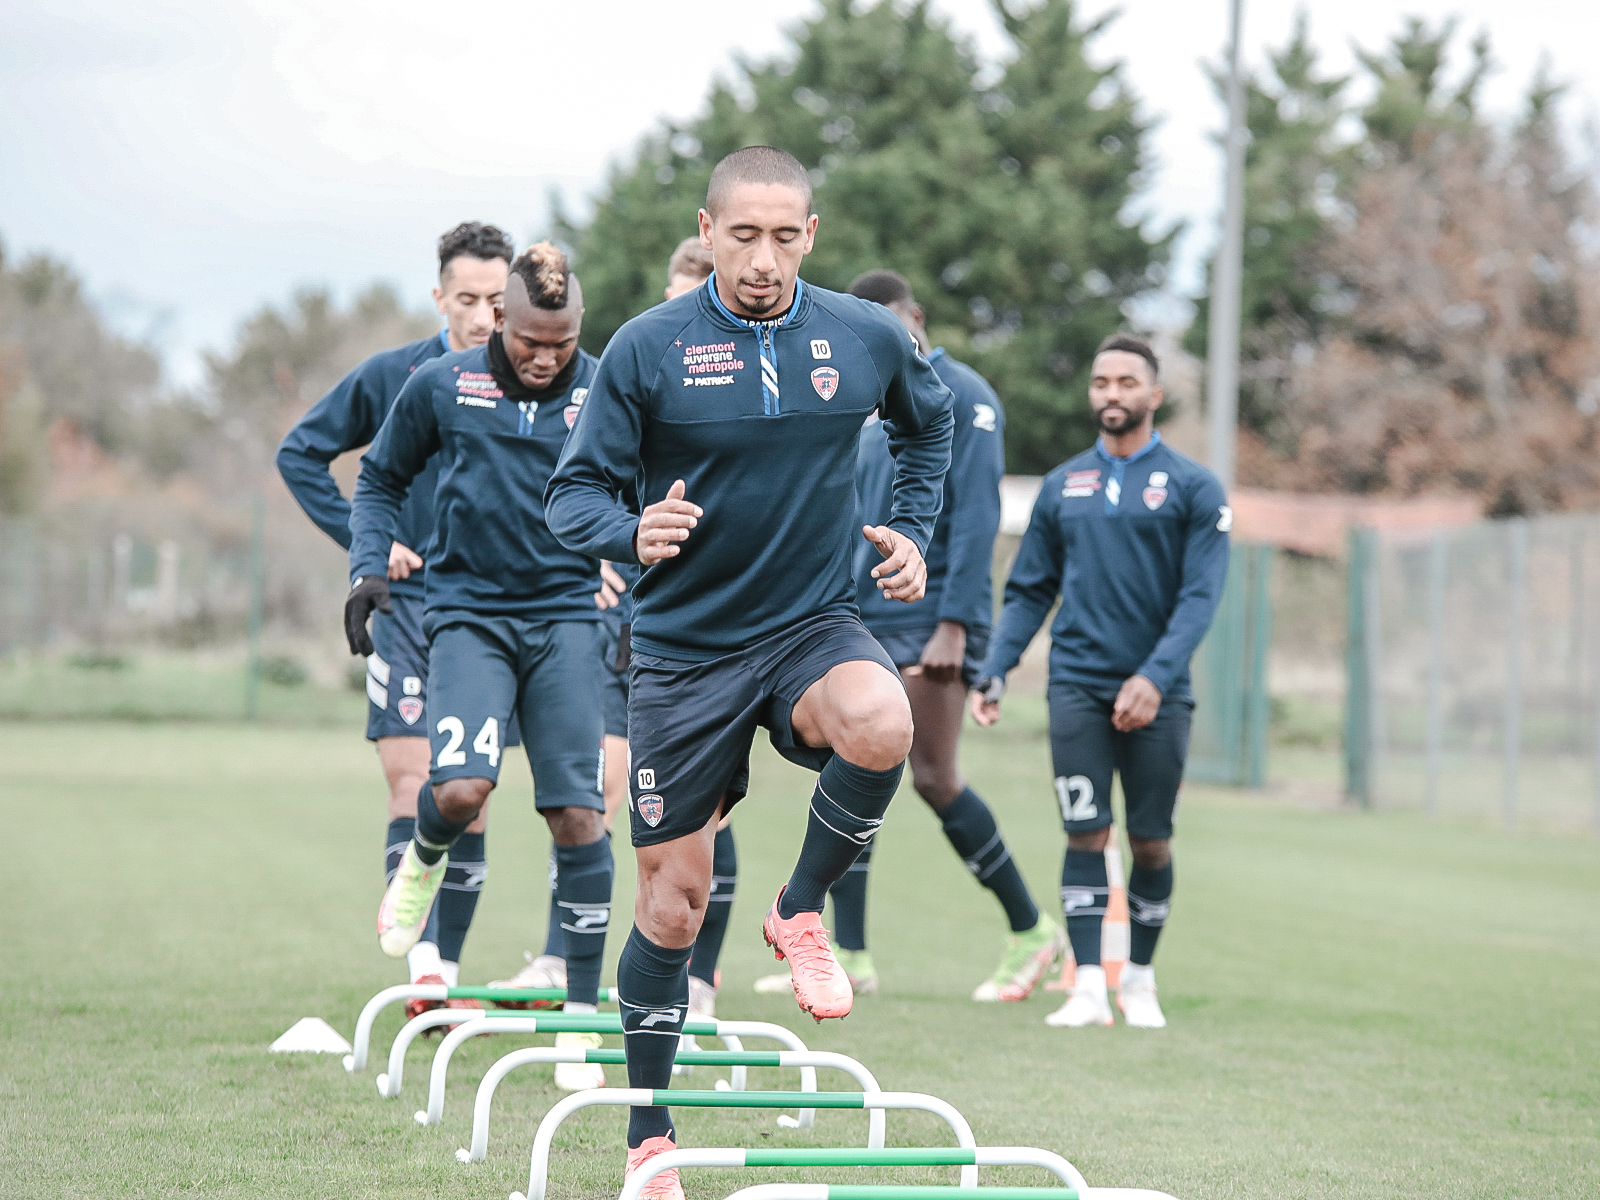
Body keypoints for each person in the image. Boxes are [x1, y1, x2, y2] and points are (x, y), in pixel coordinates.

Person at [546, 146, 953, 1199]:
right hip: (683, 652)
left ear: (810, 236)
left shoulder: (862, 336)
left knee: (884, 721)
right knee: (673, 905)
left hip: (811, 625)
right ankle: (649, 1136)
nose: (763, 259)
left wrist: (912, 529)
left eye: (783, 237)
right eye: (742, 236)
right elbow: (572, 495)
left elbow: (930, 426)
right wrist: (630, 530)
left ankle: (799, 908)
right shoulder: (647, 349)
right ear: (708, 231)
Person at [345, 242, 615, 1091]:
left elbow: (644, 493)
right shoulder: (443, 385)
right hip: (468, 617)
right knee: (461, 791)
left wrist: (636, 569)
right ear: (500, 318)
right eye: (531, 341)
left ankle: (578, 1024)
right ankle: (422, 858)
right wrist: (366, 568)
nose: (545, 359)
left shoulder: (605, 391)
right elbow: (379, 479)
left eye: (562, 344)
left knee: (579, 816)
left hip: (567, 620)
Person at [766, 269, 1065, 1001]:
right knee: (850, 770)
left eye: (888, 324)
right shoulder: (866, 402)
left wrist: (956, 627)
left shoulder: (966, 396)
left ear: (916, 317)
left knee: (933, 776)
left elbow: (978, 516)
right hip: (865, 617)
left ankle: (1032, 931)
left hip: (933, 621)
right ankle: (852, 953)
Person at [275, 222, 513, 1018]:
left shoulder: (535, 380)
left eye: (496, 299)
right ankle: (426, 971)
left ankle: (446, 972)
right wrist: (369, 546)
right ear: (439, 297)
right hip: (408, 612)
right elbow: (300, 454)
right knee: (412, 782)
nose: (481, 316)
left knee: (470, 793)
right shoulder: (392, 376)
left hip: (495, 615)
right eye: (467, 298)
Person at [501, 237, 730, 1030]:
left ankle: (700, 976)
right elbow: (584, 489)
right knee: (599, 787)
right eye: (670, 292)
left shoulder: (733, 392)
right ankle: (564, 955)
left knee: (703, 811)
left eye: (688, 295)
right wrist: (609, 543)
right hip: (617, 628)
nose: (675, 308)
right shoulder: (637, 373)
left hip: (703, 630)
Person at [971, 333, 1230, 1029]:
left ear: (1155, 395)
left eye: (1126, 382)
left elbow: (1199, 598)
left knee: (1150, 840)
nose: (1111, 393)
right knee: (1084, 831)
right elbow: (1030, 590)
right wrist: (995, 667)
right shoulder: (1063, 486)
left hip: (1159, 694)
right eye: (1100, 382)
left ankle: (1138, 979)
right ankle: (1087, 985)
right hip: (1077, 685)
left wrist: (1154, 677)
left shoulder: (1195, 487)